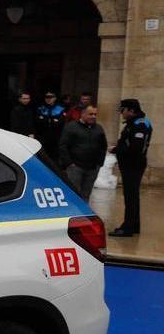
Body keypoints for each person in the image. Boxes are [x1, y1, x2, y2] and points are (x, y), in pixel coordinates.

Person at [109, 98, 152, 237]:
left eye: (123, 110)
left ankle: (127, 227)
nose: (121, 113)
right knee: (131, 195)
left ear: (131, 111)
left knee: (130, 196)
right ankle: (134, 225)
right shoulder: (133, 123)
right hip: (130, 164)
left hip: (133, 165)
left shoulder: (140, 124)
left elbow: (135, 148)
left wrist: (116, 150)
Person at [58, 104, 107, 201]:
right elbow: (63, 146)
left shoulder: (99, 128)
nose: (93, 116)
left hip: (92, 168)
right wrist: (69, 163)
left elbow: (103, 146)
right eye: (90, 114)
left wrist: (99, 163)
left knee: (86, 194)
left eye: (95, 114)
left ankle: (84, 215)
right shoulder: (71, 127)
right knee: (73, 194)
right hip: (75, 167)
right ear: (83, 114)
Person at [35, 91, 66, 161]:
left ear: (55, 98)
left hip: (56, 138)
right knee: (43, 157)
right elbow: (38, 122)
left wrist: (46, 119)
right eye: (46, 97)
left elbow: (60, 123)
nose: (48, 99)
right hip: (43, 137)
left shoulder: (60, 109)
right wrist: (52, 120)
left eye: (50, 97)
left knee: (54, 158)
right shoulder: (40, 108)